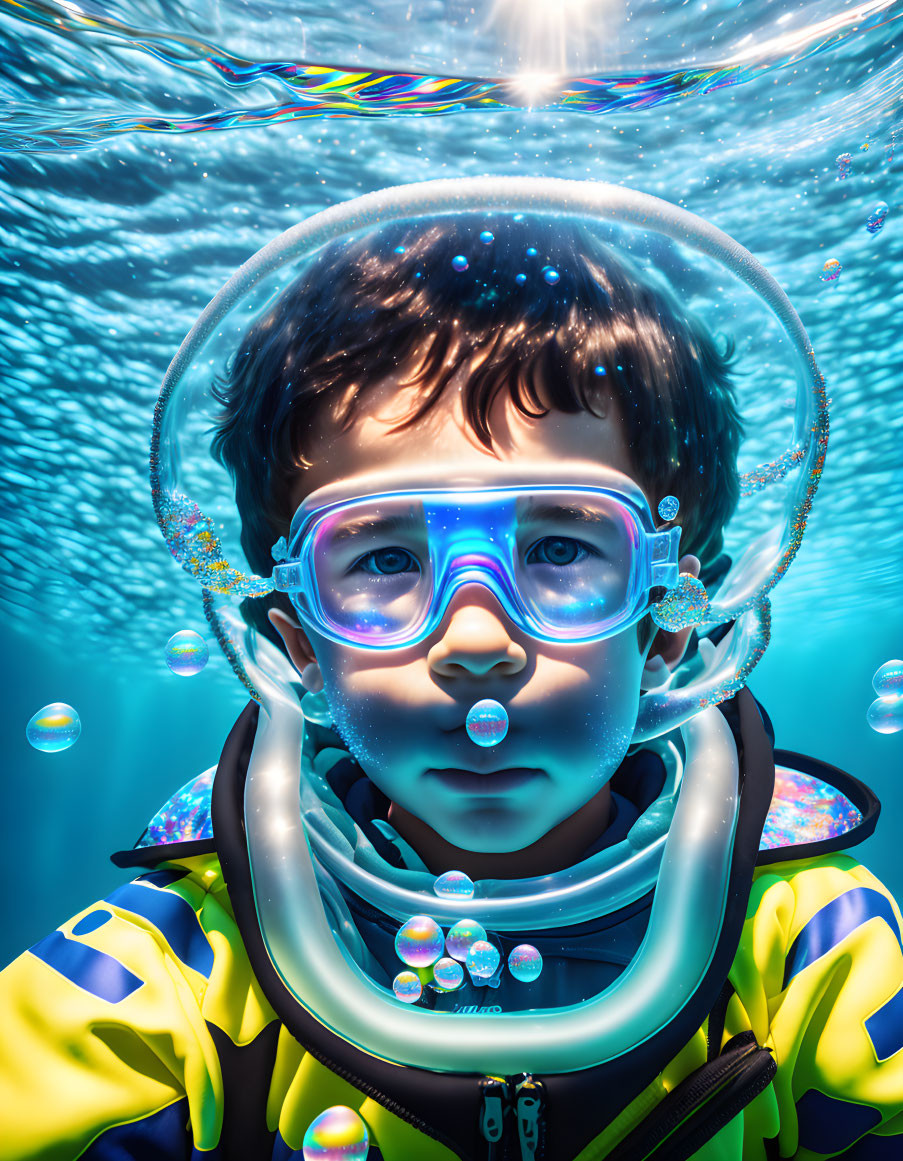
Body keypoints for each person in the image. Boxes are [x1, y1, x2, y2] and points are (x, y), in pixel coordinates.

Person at [2, 192, 902, 1161]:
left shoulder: (818, 951)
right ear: (298, 640)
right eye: (385, 560)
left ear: (671, 623)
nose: (476, 638)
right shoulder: (167, 974)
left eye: (559, 546)